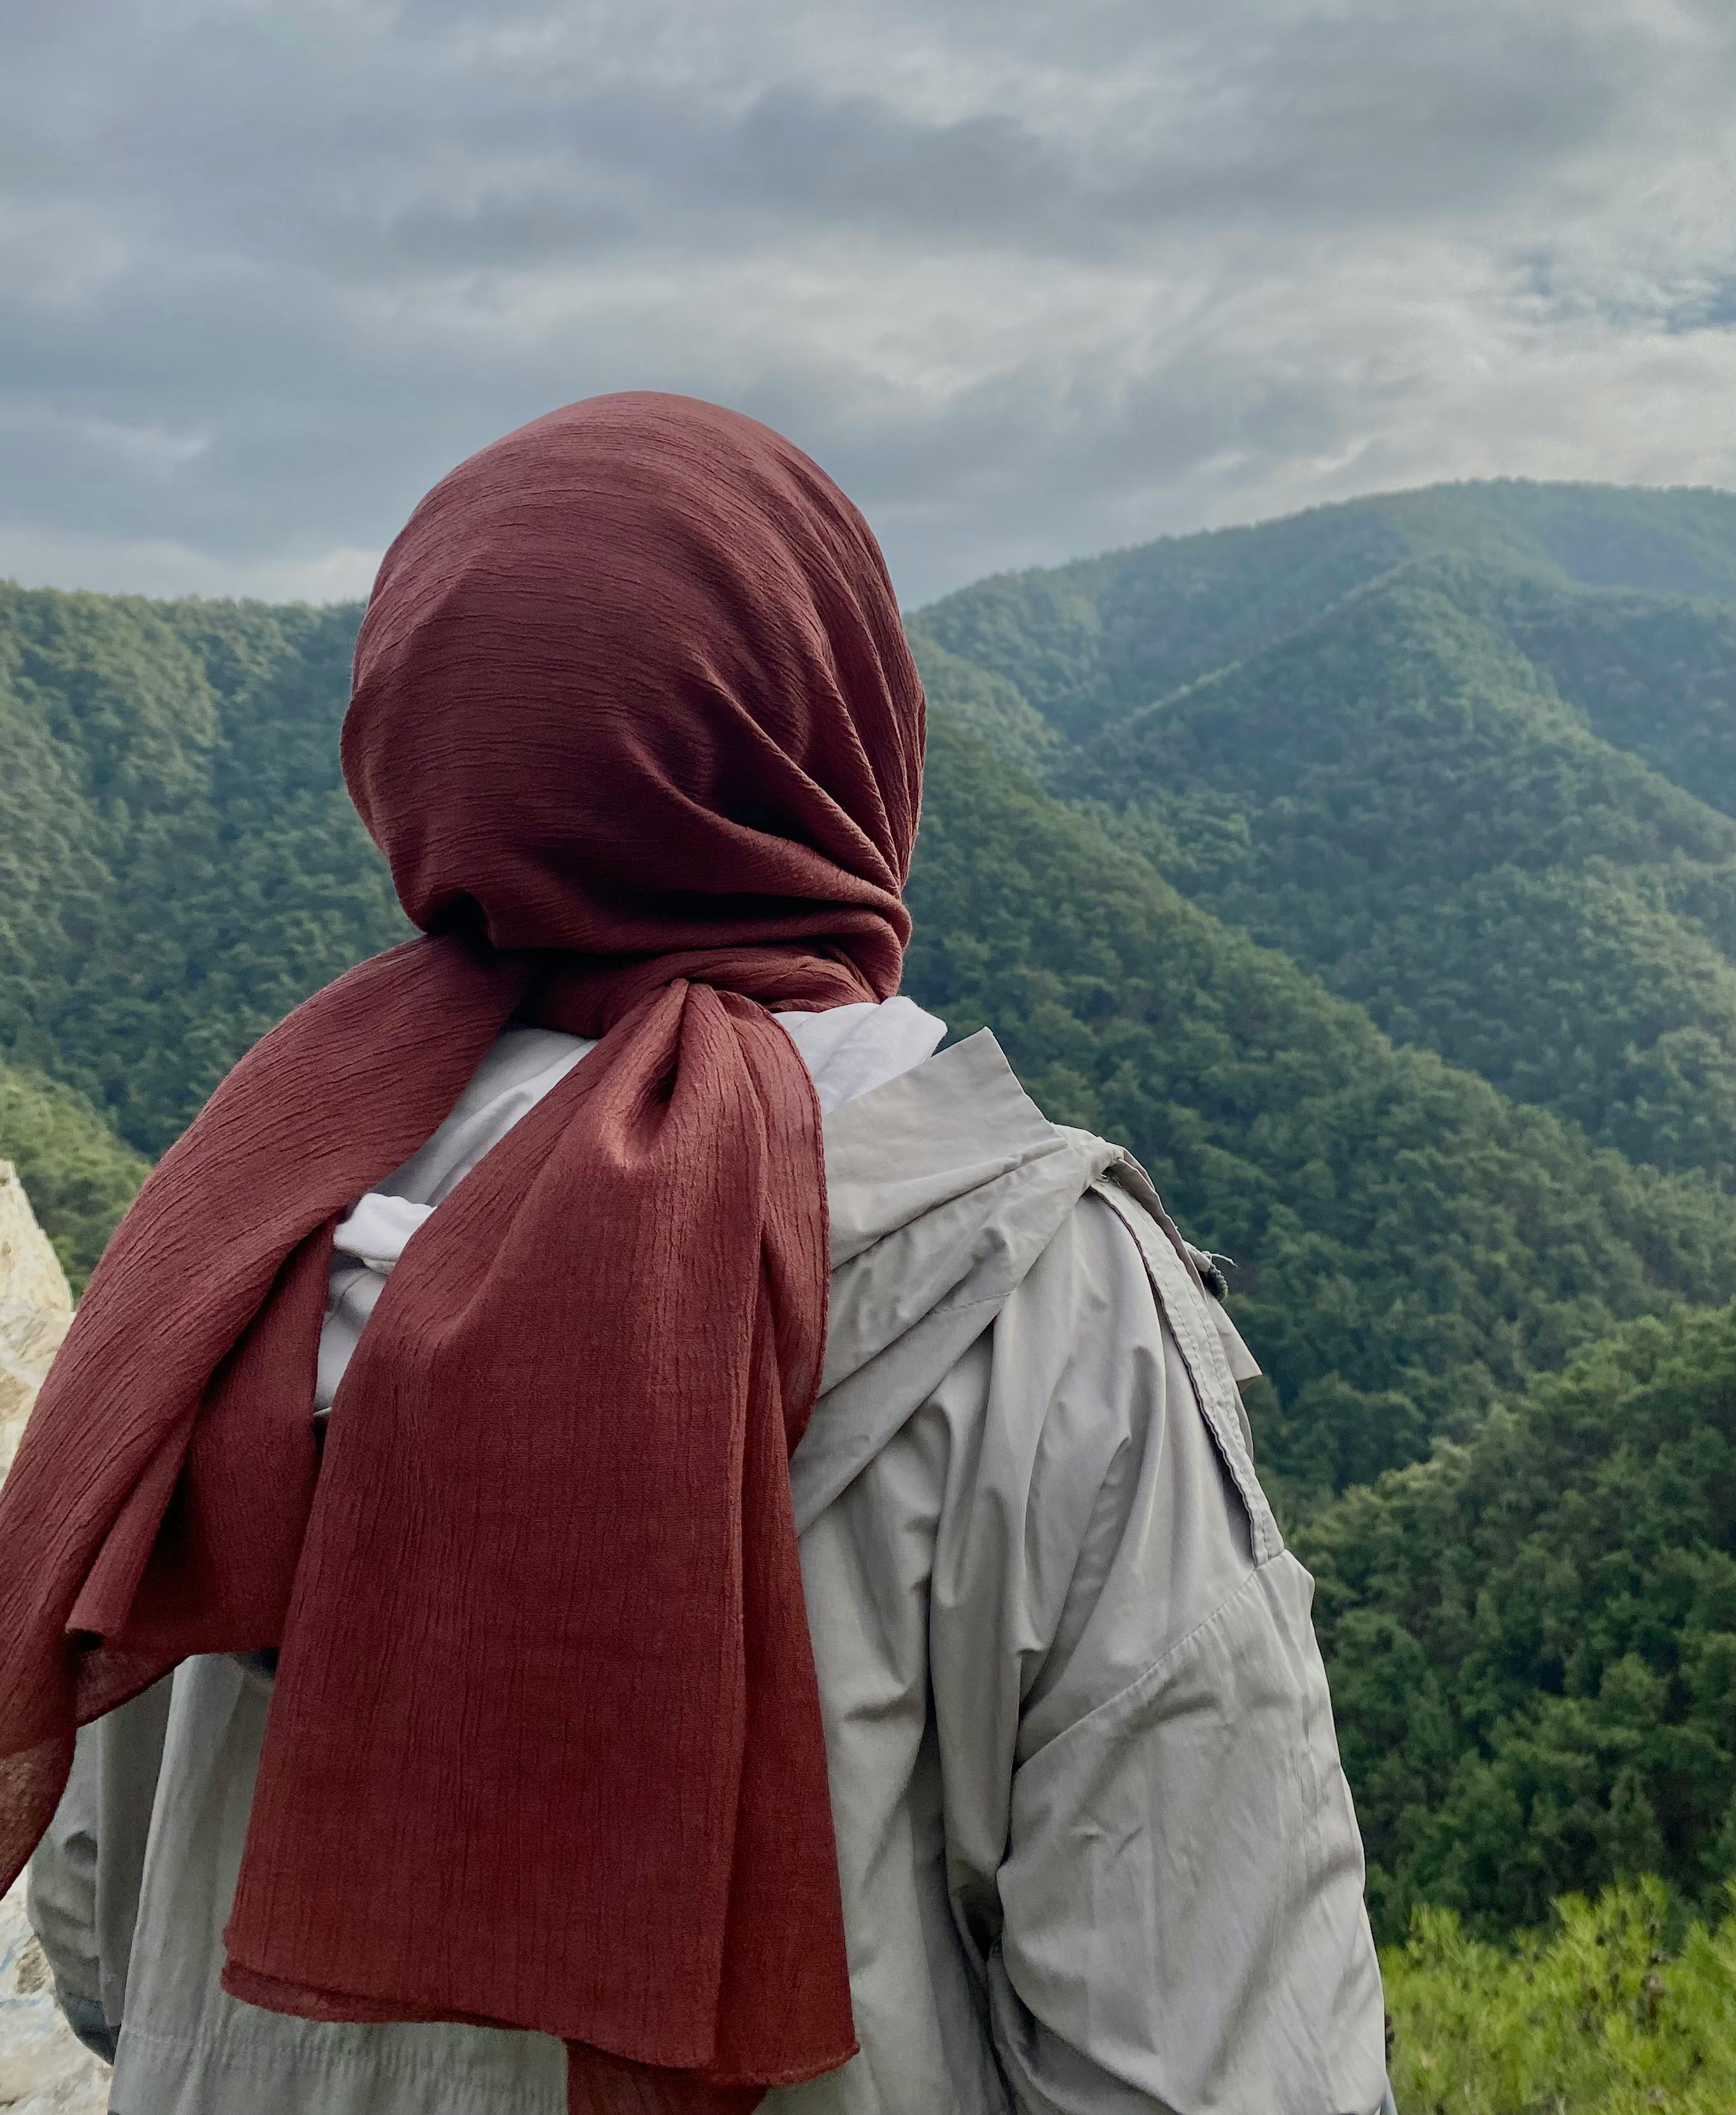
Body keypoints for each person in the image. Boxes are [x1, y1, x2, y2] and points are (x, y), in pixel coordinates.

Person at [1, 391, 1389, 2114]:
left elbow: (104, 1934)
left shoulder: (239, 1233)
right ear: (841, 736)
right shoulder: (1048, 1296)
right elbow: (1219, 2052)